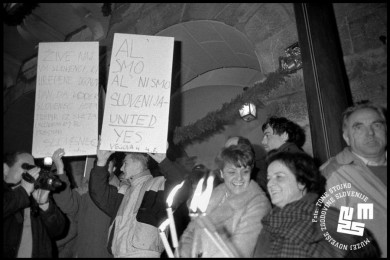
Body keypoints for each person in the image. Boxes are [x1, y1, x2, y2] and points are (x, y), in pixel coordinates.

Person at [253, 151, 380, 258]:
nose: (270, 184)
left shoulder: (328, 218)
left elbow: (367, 247)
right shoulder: (270, 223)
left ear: (301, 182)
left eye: (279, 177)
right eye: (269, 178)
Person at [89, 138, 189, 257]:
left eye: (125, 163)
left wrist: (164, 161)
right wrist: (101, 162)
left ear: (138, 164)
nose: (121, 168)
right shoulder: (124, 190)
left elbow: (181, 187)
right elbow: (97, 192)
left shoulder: (158, 185)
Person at [179, 143, 271, 257]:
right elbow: (191, 233)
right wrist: (183, 253)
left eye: (245, 172)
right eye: (232, 172)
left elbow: (240, 250)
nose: (239, 178)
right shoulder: (215, 195)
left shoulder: (258, 204)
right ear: (222, 173)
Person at [320, 102, 387, 257]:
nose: (370, 133)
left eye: (376, 125)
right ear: (346, 137)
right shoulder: (332, 175)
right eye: (358, 127)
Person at [52, 148, 123, 258]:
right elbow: (67, 204)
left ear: (114, 168)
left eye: (106, 163)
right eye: (99, 162)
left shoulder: (122, 192)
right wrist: (60, 170)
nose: (102, 166)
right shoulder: (84, 191)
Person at [3, 151, 67, 258]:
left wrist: (44, 204)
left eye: (33, 168)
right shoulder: (13, 196)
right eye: (26, 166)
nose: (31, 172)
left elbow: (59, 230)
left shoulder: (34, 194)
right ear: (5, 169)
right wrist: (23, 191)